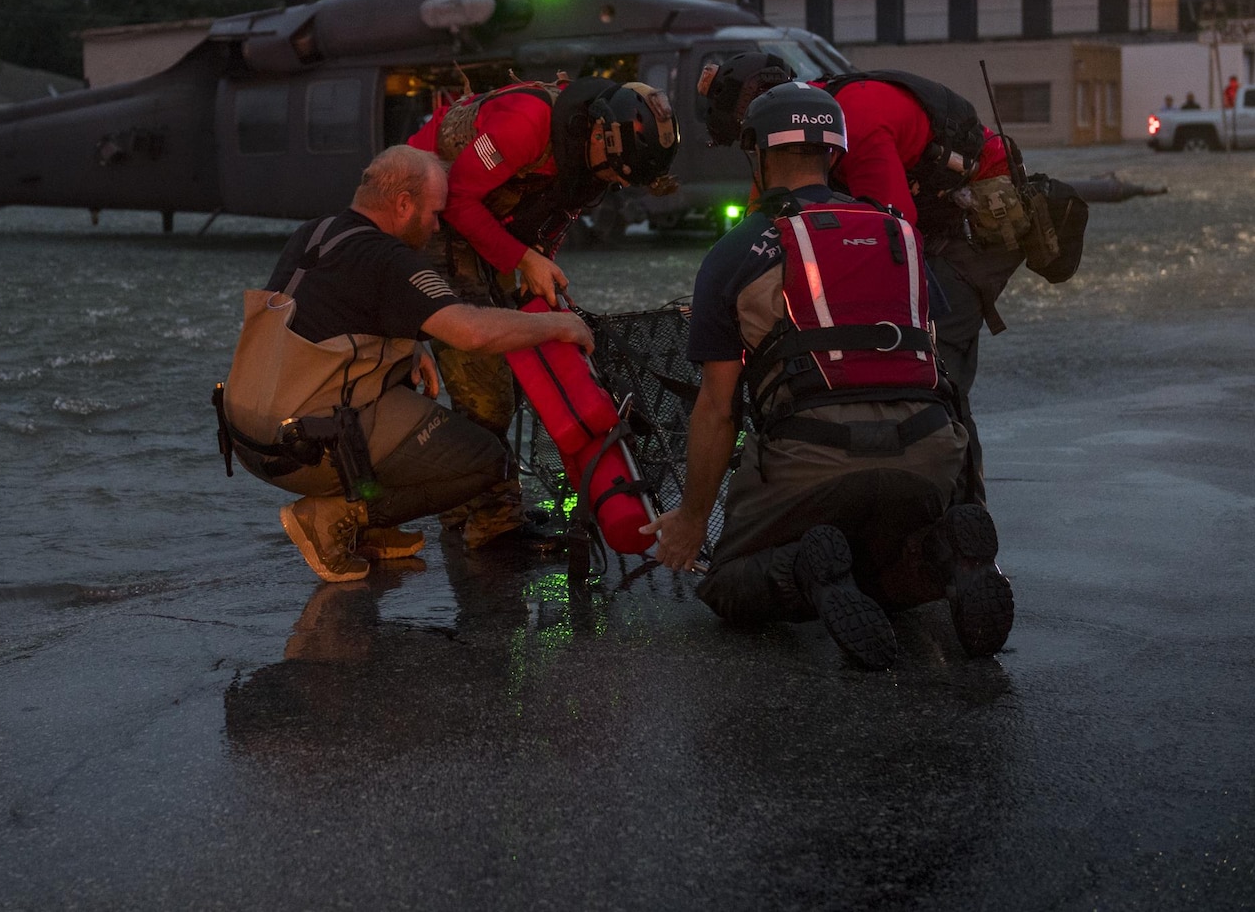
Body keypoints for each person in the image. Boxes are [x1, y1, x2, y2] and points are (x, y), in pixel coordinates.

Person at [643, 83, 1015, 668]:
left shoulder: (736, 252)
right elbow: (939, 371)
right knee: (882, 562)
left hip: (809, 460)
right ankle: (948, 554)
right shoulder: (901, 234)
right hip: (927, 449)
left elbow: (718, 409)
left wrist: (692, 520)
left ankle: (807, 570)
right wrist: (961, 492)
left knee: (729, 587)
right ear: (835, 154)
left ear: (757, 154)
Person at [216, 146, 594, 582]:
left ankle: (365, 529)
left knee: (400, 381)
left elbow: (325, 313)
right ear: (402, 205)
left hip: (249, 436)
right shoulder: (391, 260)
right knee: (486, 461)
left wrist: (411, 344)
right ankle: (339, 515)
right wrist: (559, 325)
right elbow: (473, 332)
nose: (436, 227)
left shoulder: (315, 232)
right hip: (304, 447)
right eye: (434, 213)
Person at [697, 55, 1050, 500]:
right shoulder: (810, 123)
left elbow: (900, 238)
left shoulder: (858, 129)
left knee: (939, 372)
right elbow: (766, 215)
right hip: (925, 209)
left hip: (969, 227)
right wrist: (730, 280)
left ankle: (964, 516)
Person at [405, 75, 678, 546]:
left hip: (481, 220)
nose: (612, 182)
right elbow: (457, 199)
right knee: (488, 383)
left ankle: (462, 503)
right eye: (613, 172)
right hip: (429, 215)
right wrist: (521, 260)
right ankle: (492, 527)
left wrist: (540, 265)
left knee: (516, 368)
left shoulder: (595, 159)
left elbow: (550, 216)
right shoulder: (527, 127)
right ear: (599, 134)